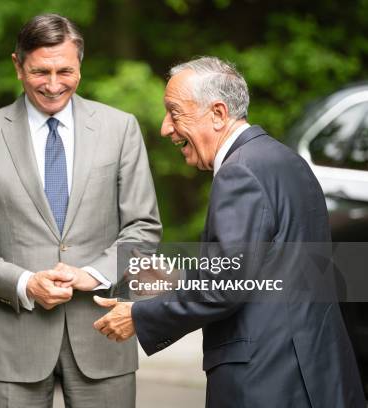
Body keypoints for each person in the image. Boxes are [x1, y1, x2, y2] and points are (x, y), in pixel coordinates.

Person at [93, 56, 365, 407]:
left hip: (266, 380)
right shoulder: (286, 160)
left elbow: (227, 285)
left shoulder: (240, 172)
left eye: (175, 112)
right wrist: (174, 280)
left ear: (218, 113)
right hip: (316, 370)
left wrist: (138, 315)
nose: (165, 128)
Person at [0, 13, 161, 408]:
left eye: (66, 71)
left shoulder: (121, 129)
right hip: (12, 342)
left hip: (102, 334)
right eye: (40, 71)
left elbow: (143, 228)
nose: (53, 84)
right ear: (17, 65)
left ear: (81, 64)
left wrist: (92, 273)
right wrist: (25, 282)